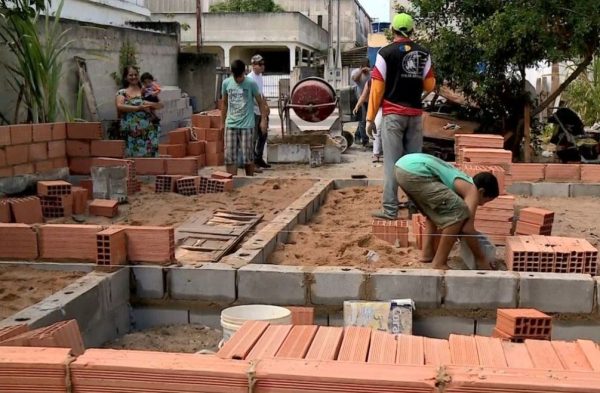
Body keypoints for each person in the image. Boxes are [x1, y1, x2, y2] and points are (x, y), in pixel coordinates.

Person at [367, 13, 436, 220]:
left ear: (393, 31)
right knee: (415, 165)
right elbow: (430, 84)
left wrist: (370, 118)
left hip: (392, 115)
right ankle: (415, 209)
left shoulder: (384, 53)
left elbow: (377, 88)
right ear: (412, 31)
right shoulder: (423, 53)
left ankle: (390, 210)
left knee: (392, 164)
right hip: (415, 116)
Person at [395, 153, 499, 270]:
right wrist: (481, 259)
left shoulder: (459, 183)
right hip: (415, 172)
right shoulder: (472, 190)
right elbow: (467, 229)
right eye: (485, 201)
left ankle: (427, 253)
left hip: (402, 167)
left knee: (434, 213)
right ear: (481, 191)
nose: (481, 204)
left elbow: (445, 221)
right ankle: (439, 262)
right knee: (459, 212)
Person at [222, 59, 268, 176]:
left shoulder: (251, 83)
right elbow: (225, 103)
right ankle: (232, 182)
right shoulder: (226, 83)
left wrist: (263, 120)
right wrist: (222, 123)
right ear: (232, 73)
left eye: (241, 76)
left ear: (244, 72)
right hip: (231, 125)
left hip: (247, 126)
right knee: (230, 157)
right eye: (236, 77)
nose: (238, 79)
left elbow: (260, 102)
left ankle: (249, 180)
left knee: (248, 156)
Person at [115, 66, 163, 157]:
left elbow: (160, 105)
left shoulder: (146, 90)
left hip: (148, 131)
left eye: (135, 74)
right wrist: (139, 108)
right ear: (126, 77)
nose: (133, 77)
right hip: (131, 132)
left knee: (150, 157)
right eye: (130, 75)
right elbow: (119, 106)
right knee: (133, 158)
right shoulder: (122, 92)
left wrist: (147, 103)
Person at [247, 54, 271, 171]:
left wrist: (266, 106)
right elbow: (252, 97)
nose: (262, 67)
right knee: (254, 137)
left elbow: (261, 94)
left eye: (263, 64)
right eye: (260, 64)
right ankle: (251, 162)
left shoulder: (260, 77)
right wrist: (262, 108)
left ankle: (259, 158)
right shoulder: (250, 79)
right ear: (253, 65)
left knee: (263, 135)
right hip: (253, 112)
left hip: (261, 110)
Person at [354, 77, 383, 162]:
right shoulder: (370, 82)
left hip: (391, 107)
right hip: (379, 107)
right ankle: (376, 154)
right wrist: (357, 105)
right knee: (376, 129)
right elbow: (363, 95)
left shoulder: (389, 80)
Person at [351, 58, 371, 148]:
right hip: (361, 99)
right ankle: (365, 141)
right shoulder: (356, 72)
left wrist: (370, 71)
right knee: (362, 120)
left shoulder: (371, 73)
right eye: (364, 67)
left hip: (370, 99)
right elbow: (355, 79)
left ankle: (358, 135)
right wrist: (360, 71)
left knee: (368, 119)